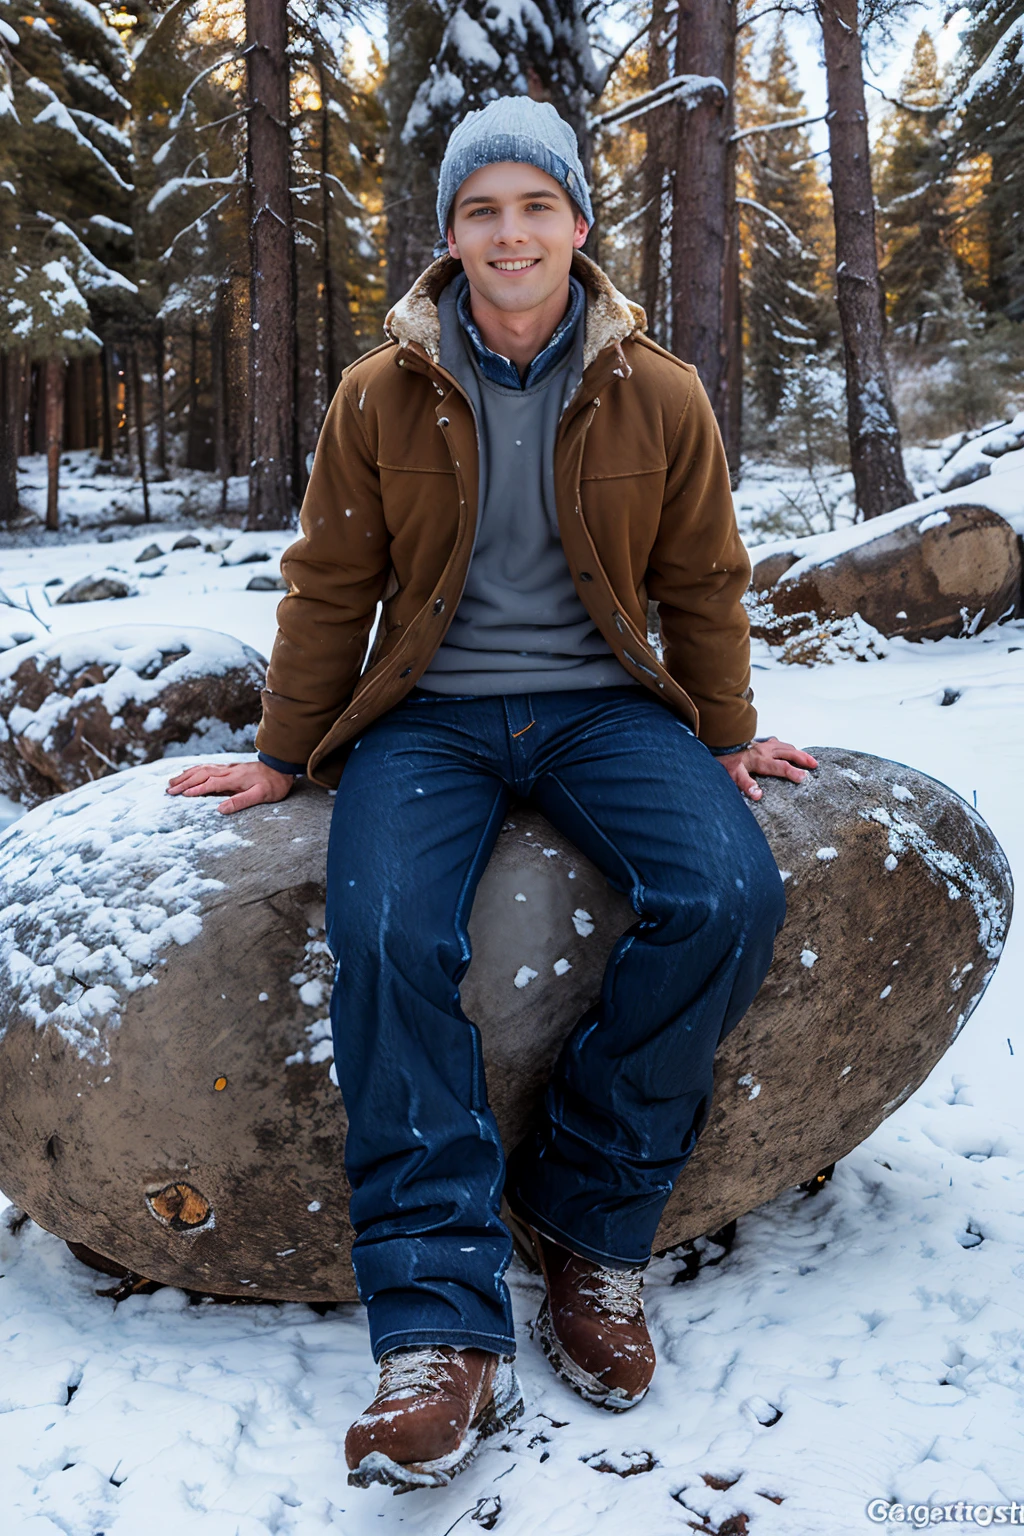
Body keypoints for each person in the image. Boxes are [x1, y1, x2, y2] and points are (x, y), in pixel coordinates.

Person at [167, 96, 818, 1494]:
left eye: (535, 206)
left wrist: (726, 734)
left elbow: (703, 577)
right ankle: (438, 1332)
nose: (509, 233)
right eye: (481, 210)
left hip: (602, 712)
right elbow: (331, 582)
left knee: (726, 890)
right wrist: (286, 755)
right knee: (395, 933)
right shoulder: (379, 391)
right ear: (448, 239)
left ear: (578, 228)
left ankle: (588, 1228)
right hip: (431, 722)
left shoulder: (661, 388)